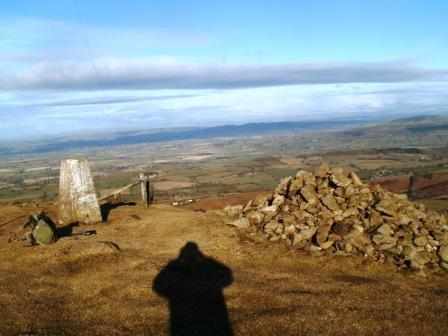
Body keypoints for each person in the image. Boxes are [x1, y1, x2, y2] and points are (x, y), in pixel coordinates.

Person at [153, 242, 234, 336]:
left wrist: (173, 294)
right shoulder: (208, 263)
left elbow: (157, 285)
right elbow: (228, 276)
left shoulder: (175, 265)